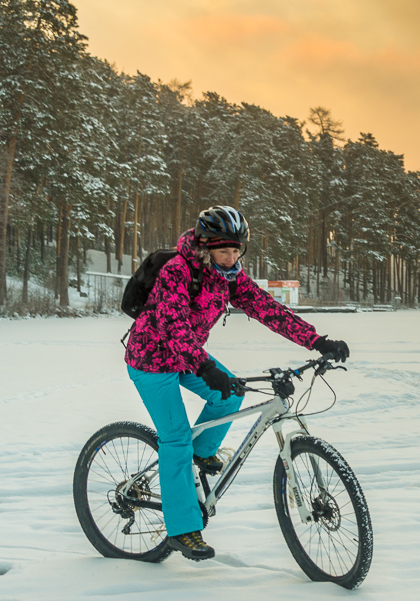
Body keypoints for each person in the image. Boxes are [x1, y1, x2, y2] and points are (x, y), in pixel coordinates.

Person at [124, 205, 349, 561]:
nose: (231, 258)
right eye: (224, 250)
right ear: (204, 245)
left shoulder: (229, 277)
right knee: (176, 439)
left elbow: (267, 309)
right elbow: (172, 326)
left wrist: (317, 341)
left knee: (230, 395)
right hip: (151, 360)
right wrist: (204, 366)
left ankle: (198, 456)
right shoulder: (177, 272)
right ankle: (183, 530)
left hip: (187, 355)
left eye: (236, 250)